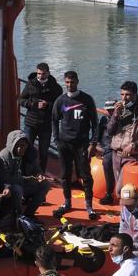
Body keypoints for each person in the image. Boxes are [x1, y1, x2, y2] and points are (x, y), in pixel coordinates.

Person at [51, 71, 98, 220]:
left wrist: (93, 143)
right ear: (65, 83)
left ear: (77, 81)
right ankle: (67, 202)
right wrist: (56, 139)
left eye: (72, 82)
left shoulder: (87, 100)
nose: (70, 85)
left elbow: (95, 123)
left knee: (85, 175)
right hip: (64, 144)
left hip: (82, 144)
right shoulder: (60, 101)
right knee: (65, 175)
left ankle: (89, 206)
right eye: (67, 82)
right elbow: (54, 120)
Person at [101, 80, 138, 201]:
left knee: (122, 190)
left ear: (135, 95)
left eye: (127, 95)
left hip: (131, 158)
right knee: (120, 191)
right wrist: (115, 114)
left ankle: (130, 216)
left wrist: (135, 144)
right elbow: (110, 131)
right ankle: (126, 216)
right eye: (122, 95)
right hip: (116, 155)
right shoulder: (119, 110)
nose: (124, 98)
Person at [19, 62, 62, 172]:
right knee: (27, 148)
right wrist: (33, 104)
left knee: (44, 151)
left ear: (48, 73)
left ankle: (41, 172)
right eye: (38, 74)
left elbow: (60, 105)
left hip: (46, 124)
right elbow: (21, 100)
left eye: (43, 74)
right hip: (31, 123)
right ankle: (25, 171)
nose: (40, 76)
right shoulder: (30, 84)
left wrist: (47, 105)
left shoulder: (56, 88)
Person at [0, 130, 51, 217]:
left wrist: (39, 175)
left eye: (23, 145)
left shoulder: (29, 153)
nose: (20, 148)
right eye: (17, 145)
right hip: (8, 187)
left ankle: (29, 214)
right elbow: (5, 179)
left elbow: (37, 168)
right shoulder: (3, 157)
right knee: (17, 189)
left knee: (45, 185)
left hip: (23, 182)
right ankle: (18, 217)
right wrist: (28, 179)